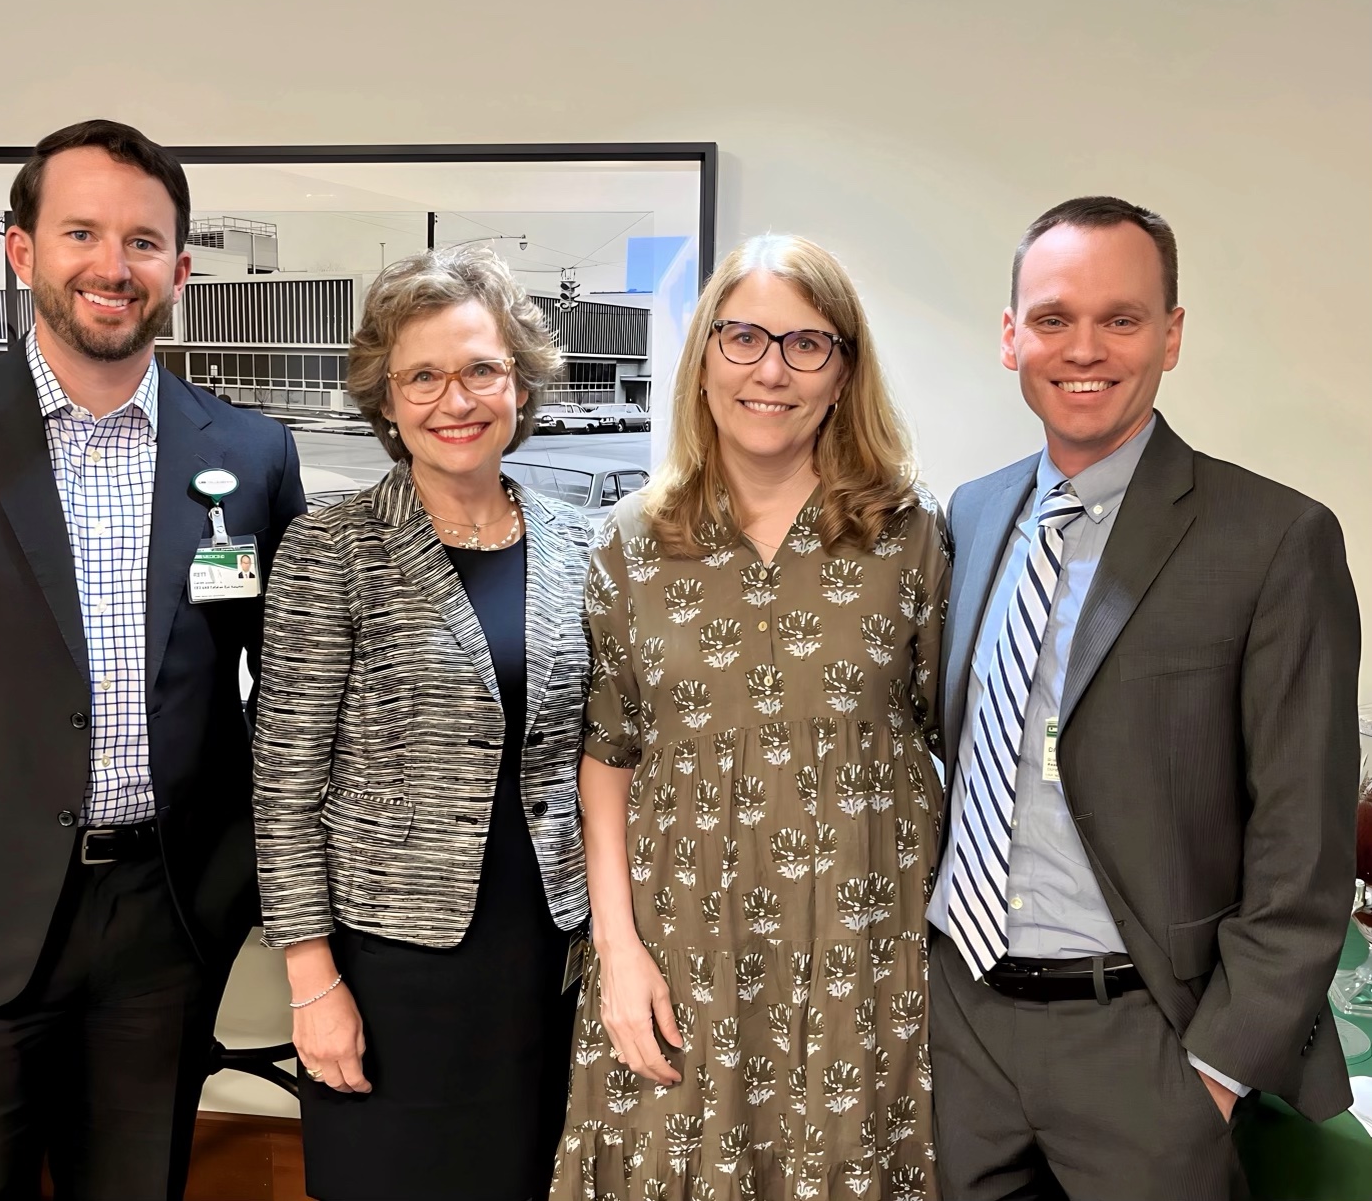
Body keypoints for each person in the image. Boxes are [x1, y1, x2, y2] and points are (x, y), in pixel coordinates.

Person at [0, 119, 306, 1200]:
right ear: (23, 251)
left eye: (141, 241)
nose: (111, 266)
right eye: (82, 231)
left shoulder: (252, 454)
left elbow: (289, 692)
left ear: (177, 268)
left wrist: (248, 885)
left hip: (164, 925)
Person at [927, 196, 1360, 1200]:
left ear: (1170, 335)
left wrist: (1213, 1068)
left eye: (1120, 318)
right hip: (960, 1026)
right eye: (1052, 317)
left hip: (1144, 1039)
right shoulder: (975, 512)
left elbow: (1304, 846)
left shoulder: (1273, 538)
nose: (1084, 347)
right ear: (1009, 337)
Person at [553, 236, 948, 1200]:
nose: (770, 370)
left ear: (843, 370)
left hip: (866, 948)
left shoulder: (910, 531)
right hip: (681, 941)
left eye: (806, 344)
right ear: (703, 357)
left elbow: (957, 736)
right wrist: (617, 951)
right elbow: (608, 752)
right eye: (742, 338)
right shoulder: (633, 542)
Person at [252, 245, 593, 1201]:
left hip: (547, 953)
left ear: (519, 382)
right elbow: (282, 789)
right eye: (424, 376)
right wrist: (312, 986)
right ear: (387, 399)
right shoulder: (333, 547)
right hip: (391, 966)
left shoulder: (584, 543)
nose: (457, 399)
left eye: (481, 369)